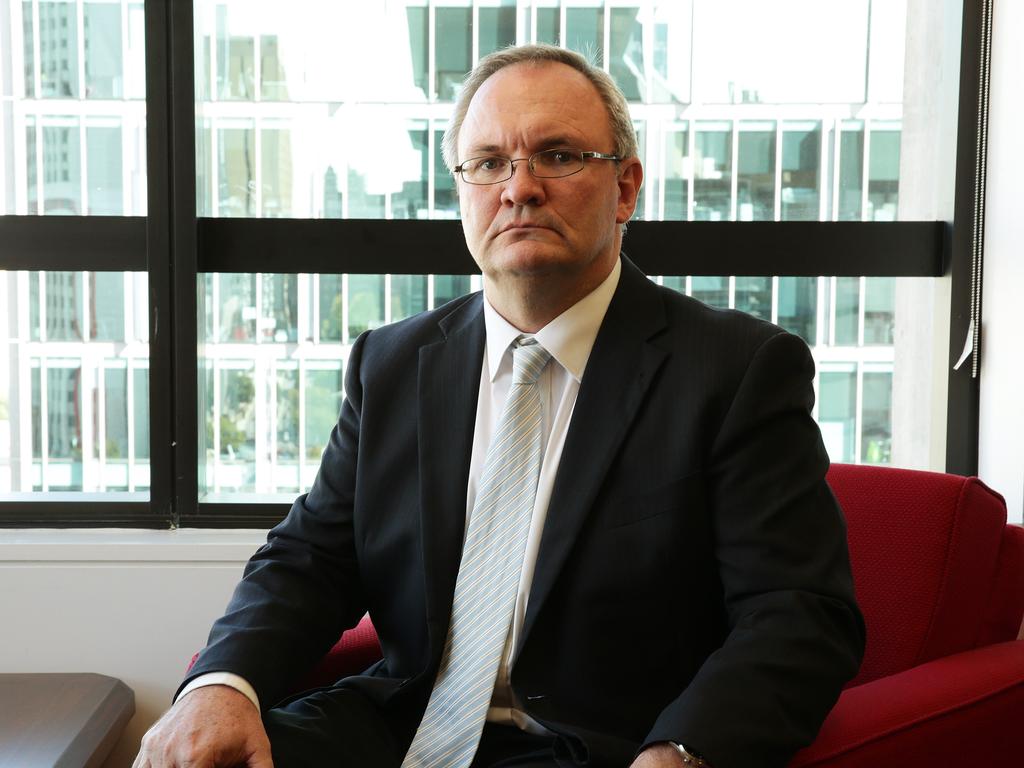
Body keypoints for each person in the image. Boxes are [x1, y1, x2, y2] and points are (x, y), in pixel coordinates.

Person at [135, 44, 864, 768]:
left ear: (626, 188)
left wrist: (682, 752)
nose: (519, 188)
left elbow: (797, 612)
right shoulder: (390, 365)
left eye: (557, 155)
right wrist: (220, 684)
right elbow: (310, 558)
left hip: (601, 746)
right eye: (488, 163)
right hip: (396, 730)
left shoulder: (734, 370)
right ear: (462, 190)